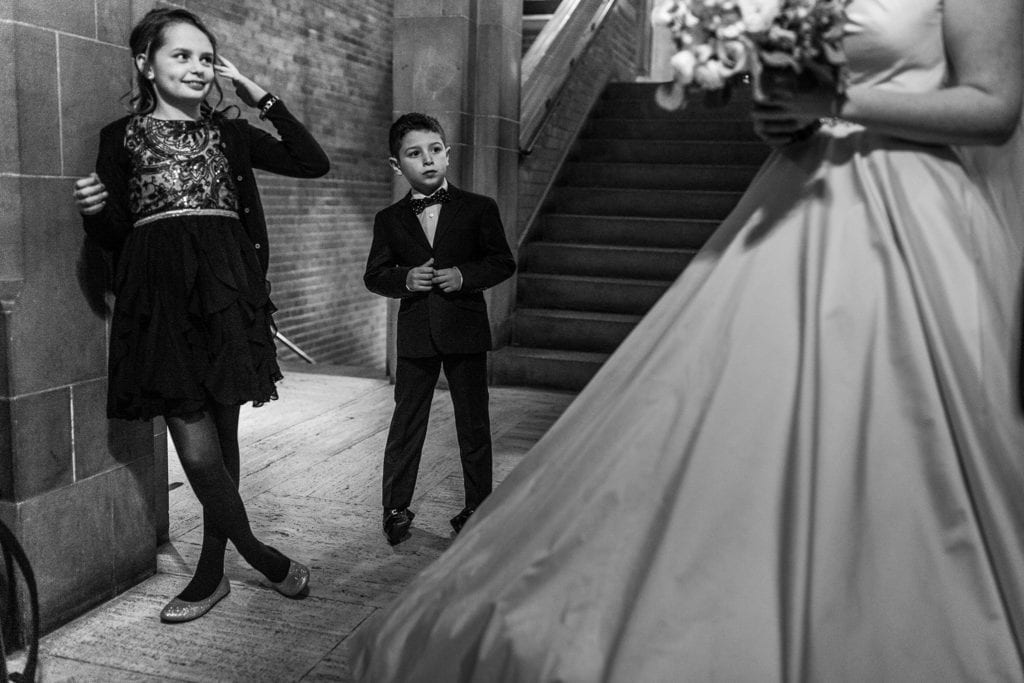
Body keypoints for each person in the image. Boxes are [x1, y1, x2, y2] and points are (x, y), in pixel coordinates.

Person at [350, 0, 1024, 679]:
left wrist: (836, 96)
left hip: (909, 214)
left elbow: (995, 105)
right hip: (799, 197)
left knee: (898, 433)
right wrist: (784, 119)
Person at [73, 8, 329, 623]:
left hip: (226, 290)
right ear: (146, 63)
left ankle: (211, 576)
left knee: (225, 432)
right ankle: (263, 557)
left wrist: (260, 96)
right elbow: (116, 236)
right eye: (180, 55)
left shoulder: (231, 134)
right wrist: (93, 211)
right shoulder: (121, 137)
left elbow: (310, 160)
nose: (197, 66)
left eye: (205, 57)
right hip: (159, 297)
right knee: (196, 442)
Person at [363, 113, 516, 546]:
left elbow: (502, 261)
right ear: (397, 166)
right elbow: (374, 275)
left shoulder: (479, 208)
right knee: (407, 422)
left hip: (464, 329)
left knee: (474, 422)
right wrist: (404, 279)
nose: (427, 160)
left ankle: (477, 505)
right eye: (414, 153)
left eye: (435, 150)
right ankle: (395, 507)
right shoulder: (389, 219)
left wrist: (464, 277)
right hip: (415, 334)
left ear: (447, 155)